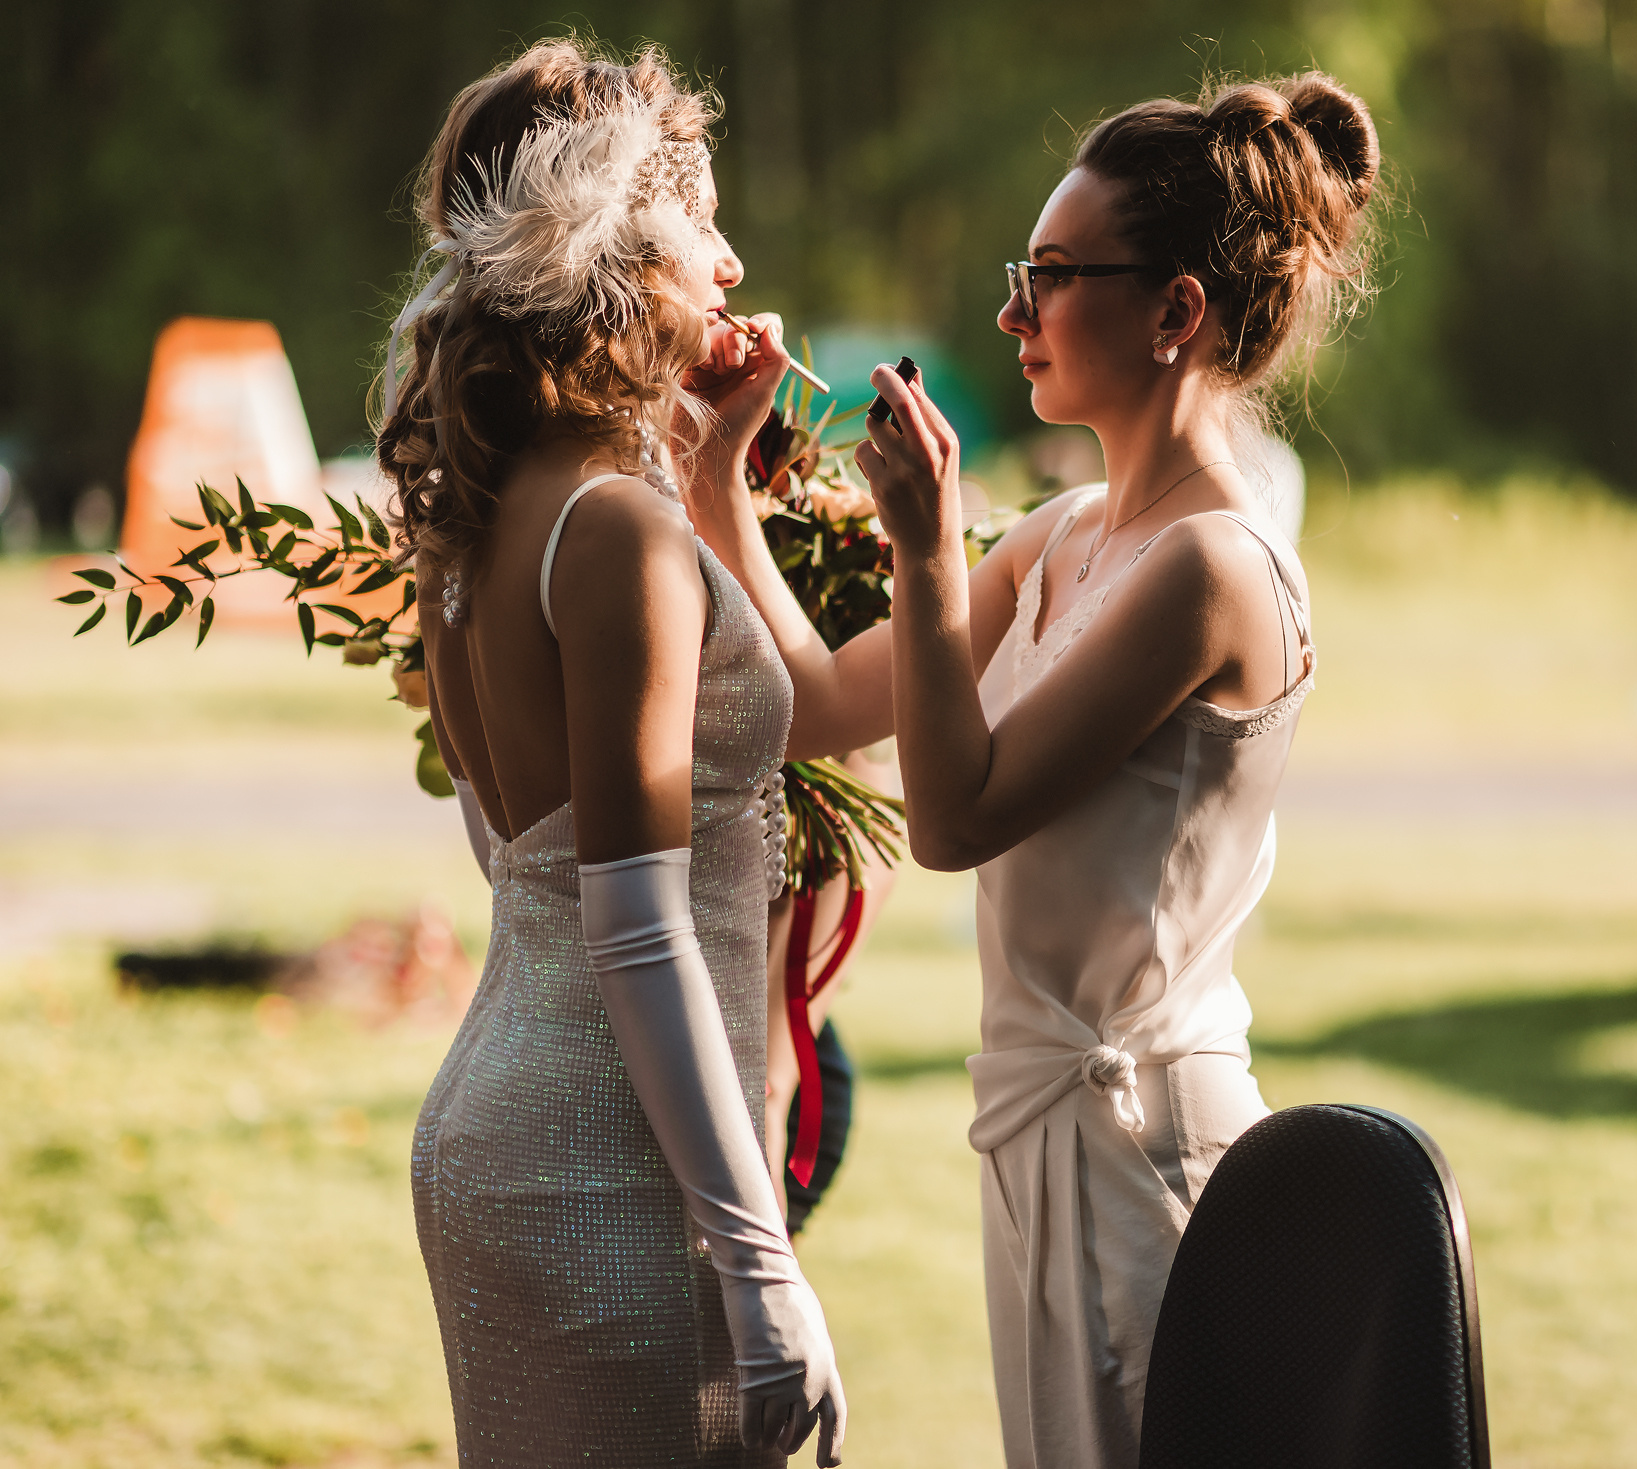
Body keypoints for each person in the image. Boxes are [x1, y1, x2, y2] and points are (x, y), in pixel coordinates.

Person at [697, 71, 1381, 1469]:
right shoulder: (1068, 534)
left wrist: (926, 546)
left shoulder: (1213, 570)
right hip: (1039, 1139)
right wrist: (715, 480)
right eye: (1025, 273)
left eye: (1054, 277)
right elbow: (827, 705)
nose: (1013, 314)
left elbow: (954, 819)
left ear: (1175, 312)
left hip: (1143, 1152)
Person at [383, 39, 844, 1466]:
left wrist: (709, 457)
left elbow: (517, 853)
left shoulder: (482, 519)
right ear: (627, 249)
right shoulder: (620, 534)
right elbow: (634, 925)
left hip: (496, 1123)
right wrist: (760, 1263)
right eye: (701, 215)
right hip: (612, 1161)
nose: (730, 254)